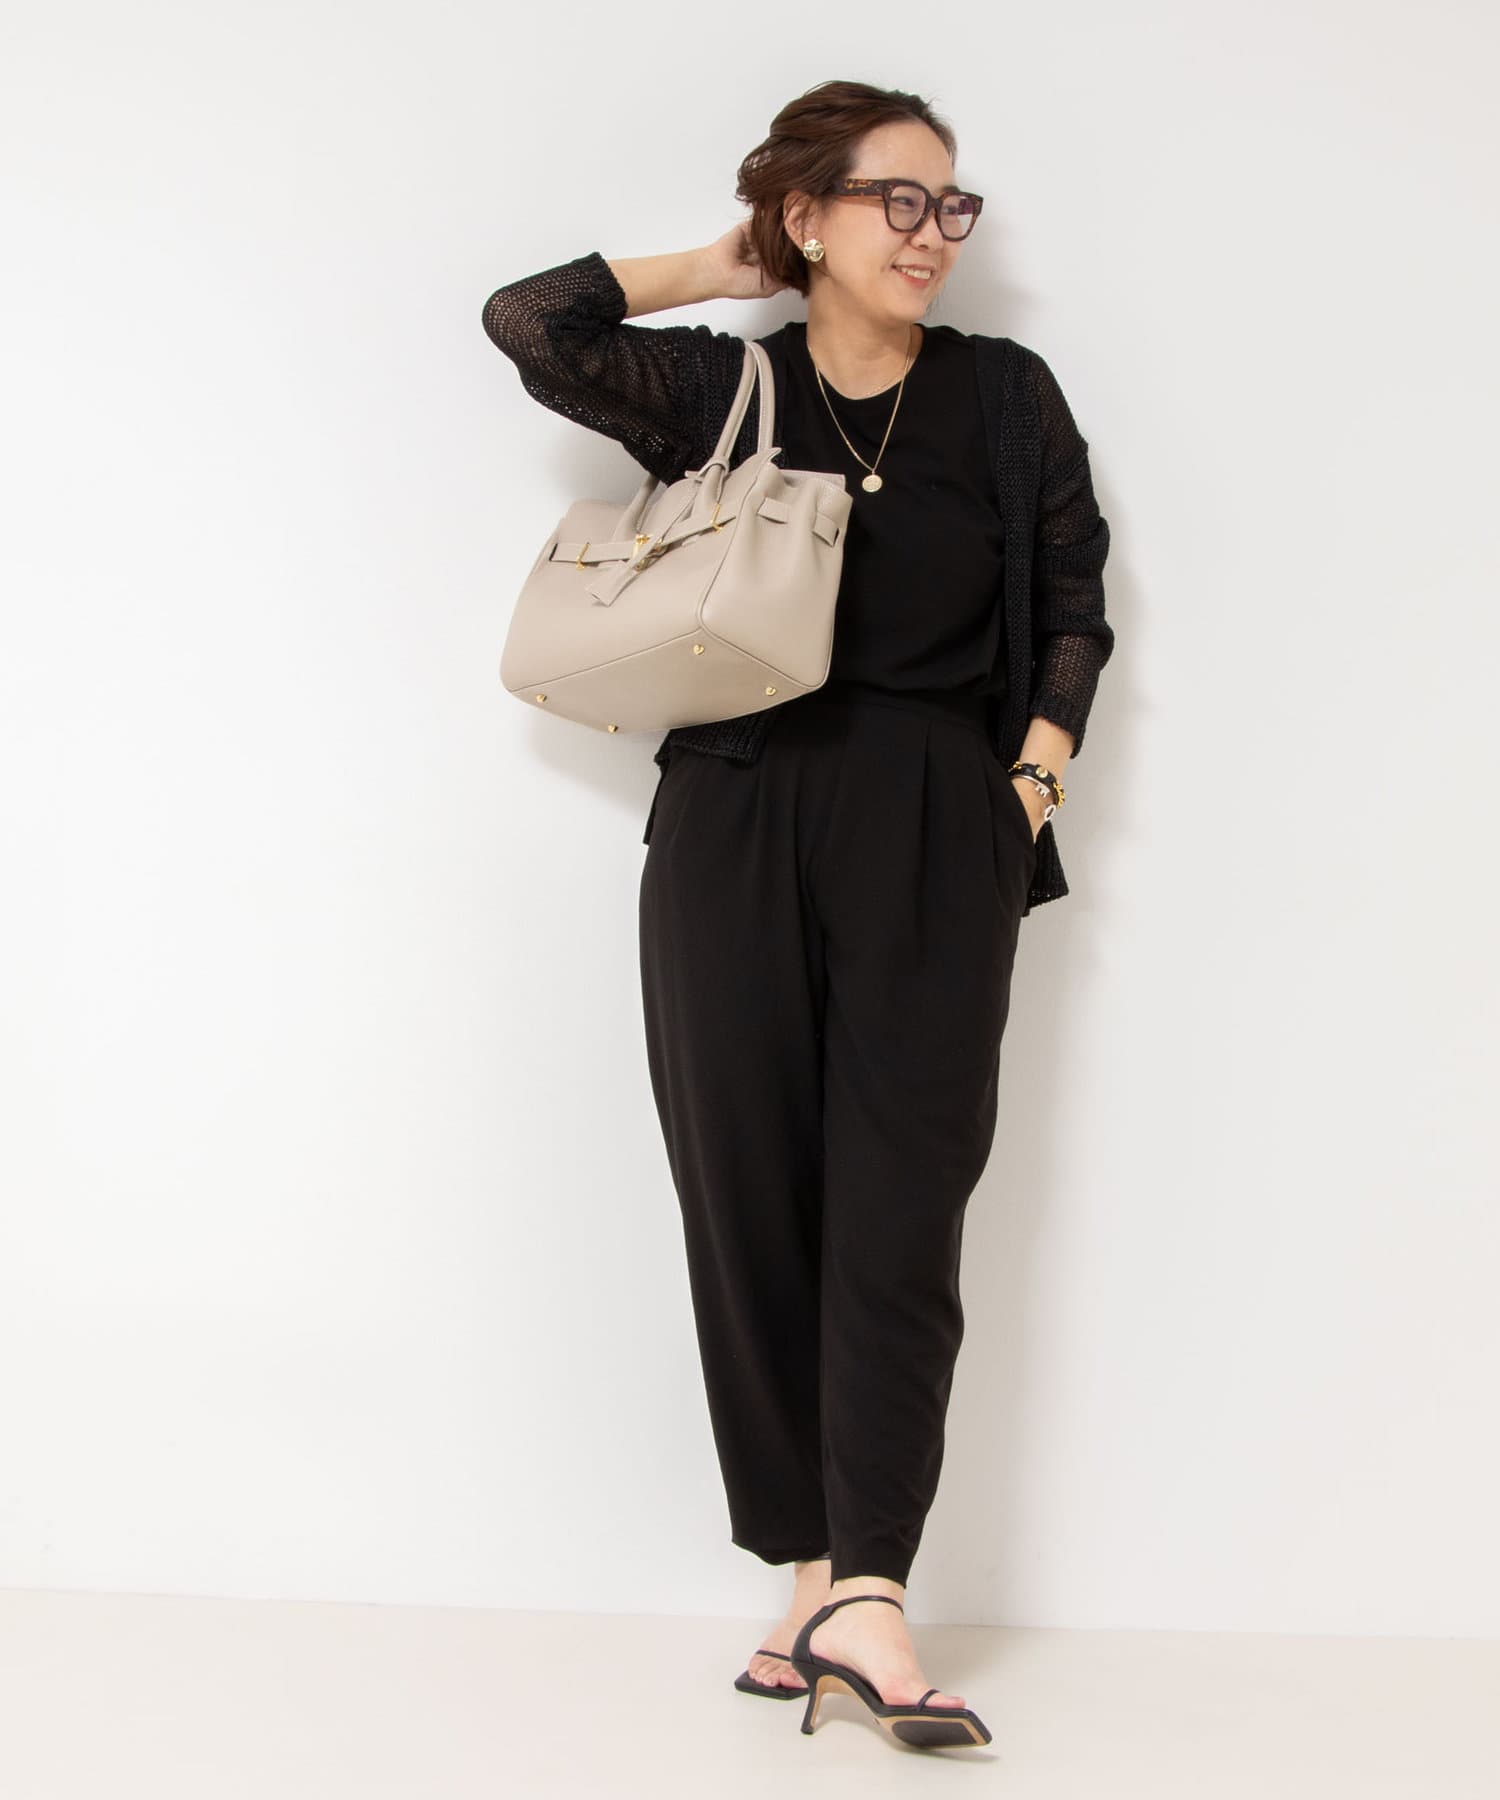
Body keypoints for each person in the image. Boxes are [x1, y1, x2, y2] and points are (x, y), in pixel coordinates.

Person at [482, 79, 1113, 1751]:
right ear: (810, 218)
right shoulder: (727, 385)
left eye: (950, 204)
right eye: (895, 199)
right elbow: (531, 321)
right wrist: (724, 261)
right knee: (748, 1198)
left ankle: (875, 1587)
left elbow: (1073, 601)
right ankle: (815, 1575)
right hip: (734, 817)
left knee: (902, 1207)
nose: (931, 232)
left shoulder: (1003, 396)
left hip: (936, 827)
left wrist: (1028, 785)